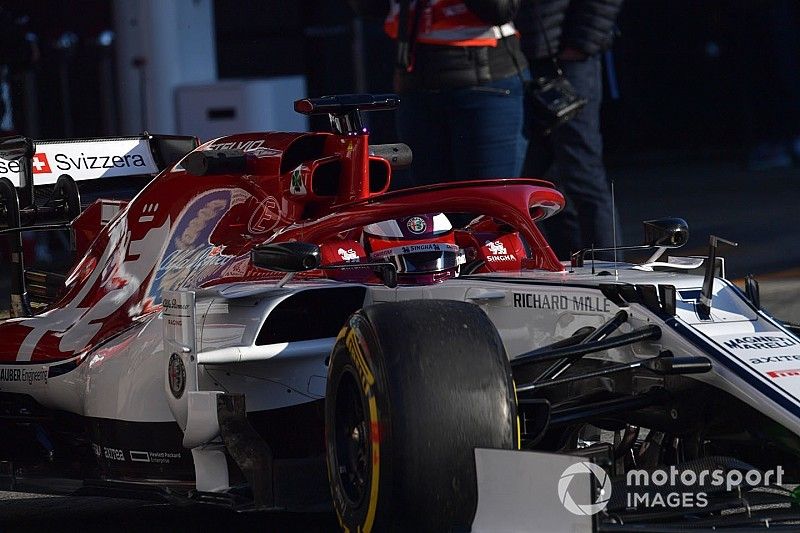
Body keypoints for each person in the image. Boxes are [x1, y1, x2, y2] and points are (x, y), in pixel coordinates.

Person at [351, 0, 530, 190]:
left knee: (488, 207)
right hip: (416, 85)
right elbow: (370, 8)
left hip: (486, 85)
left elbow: (499, 10)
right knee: (433, 213)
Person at [515, 0, 623, 260]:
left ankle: (612, 273)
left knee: (582, 173)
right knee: (544, 180)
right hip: (523, 59)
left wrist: (580, 45)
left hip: (568, 61)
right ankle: (568, 269)